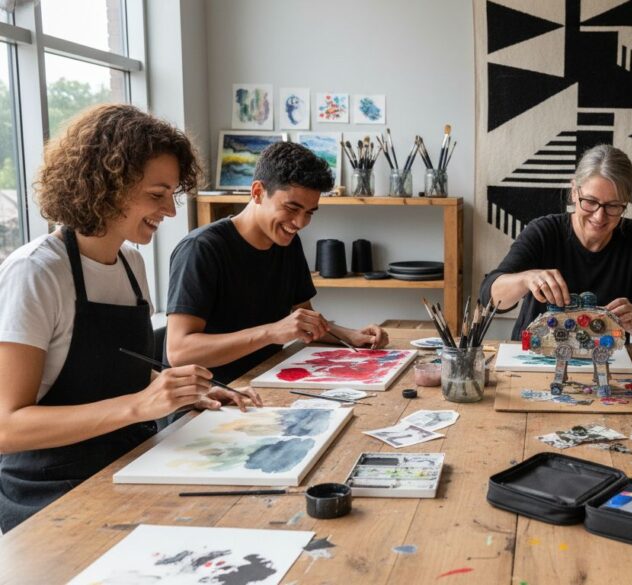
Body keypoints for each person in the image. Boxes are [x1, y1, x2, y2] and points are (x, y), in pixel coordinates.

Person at [0, 104, 259, 532]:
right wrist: (141, 404)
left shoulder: (131, 265)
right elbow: (7, 427)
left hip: (130, 460)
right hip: (52, 493)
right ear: (104, 185)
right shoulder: (36, 272)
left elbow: (119, 379)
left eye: (172, 195)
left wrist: (184, 392)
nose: (171, 212)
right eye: (157, 195)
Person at [165, 142, 388, 383]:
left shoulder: (288, 244)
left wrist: (352, 335)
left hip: (264, 383)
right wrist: (271, 333)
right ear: (258, 192)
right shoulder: (201, 249)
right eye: (292, 208)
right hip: (208, 399)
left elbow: (305, 320)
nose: (300, 222)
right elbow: (179, 352)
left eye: (310, 212)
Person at [480, 145, 632, 342]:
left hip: (605, 356)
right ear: (574, 192)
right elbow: (489, 297)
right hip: (535, 355)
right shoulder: (543, 232)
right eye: (590, 201)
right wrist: (526, 279)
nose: (599, 216)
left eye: (613, 205)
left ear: (626, 202)